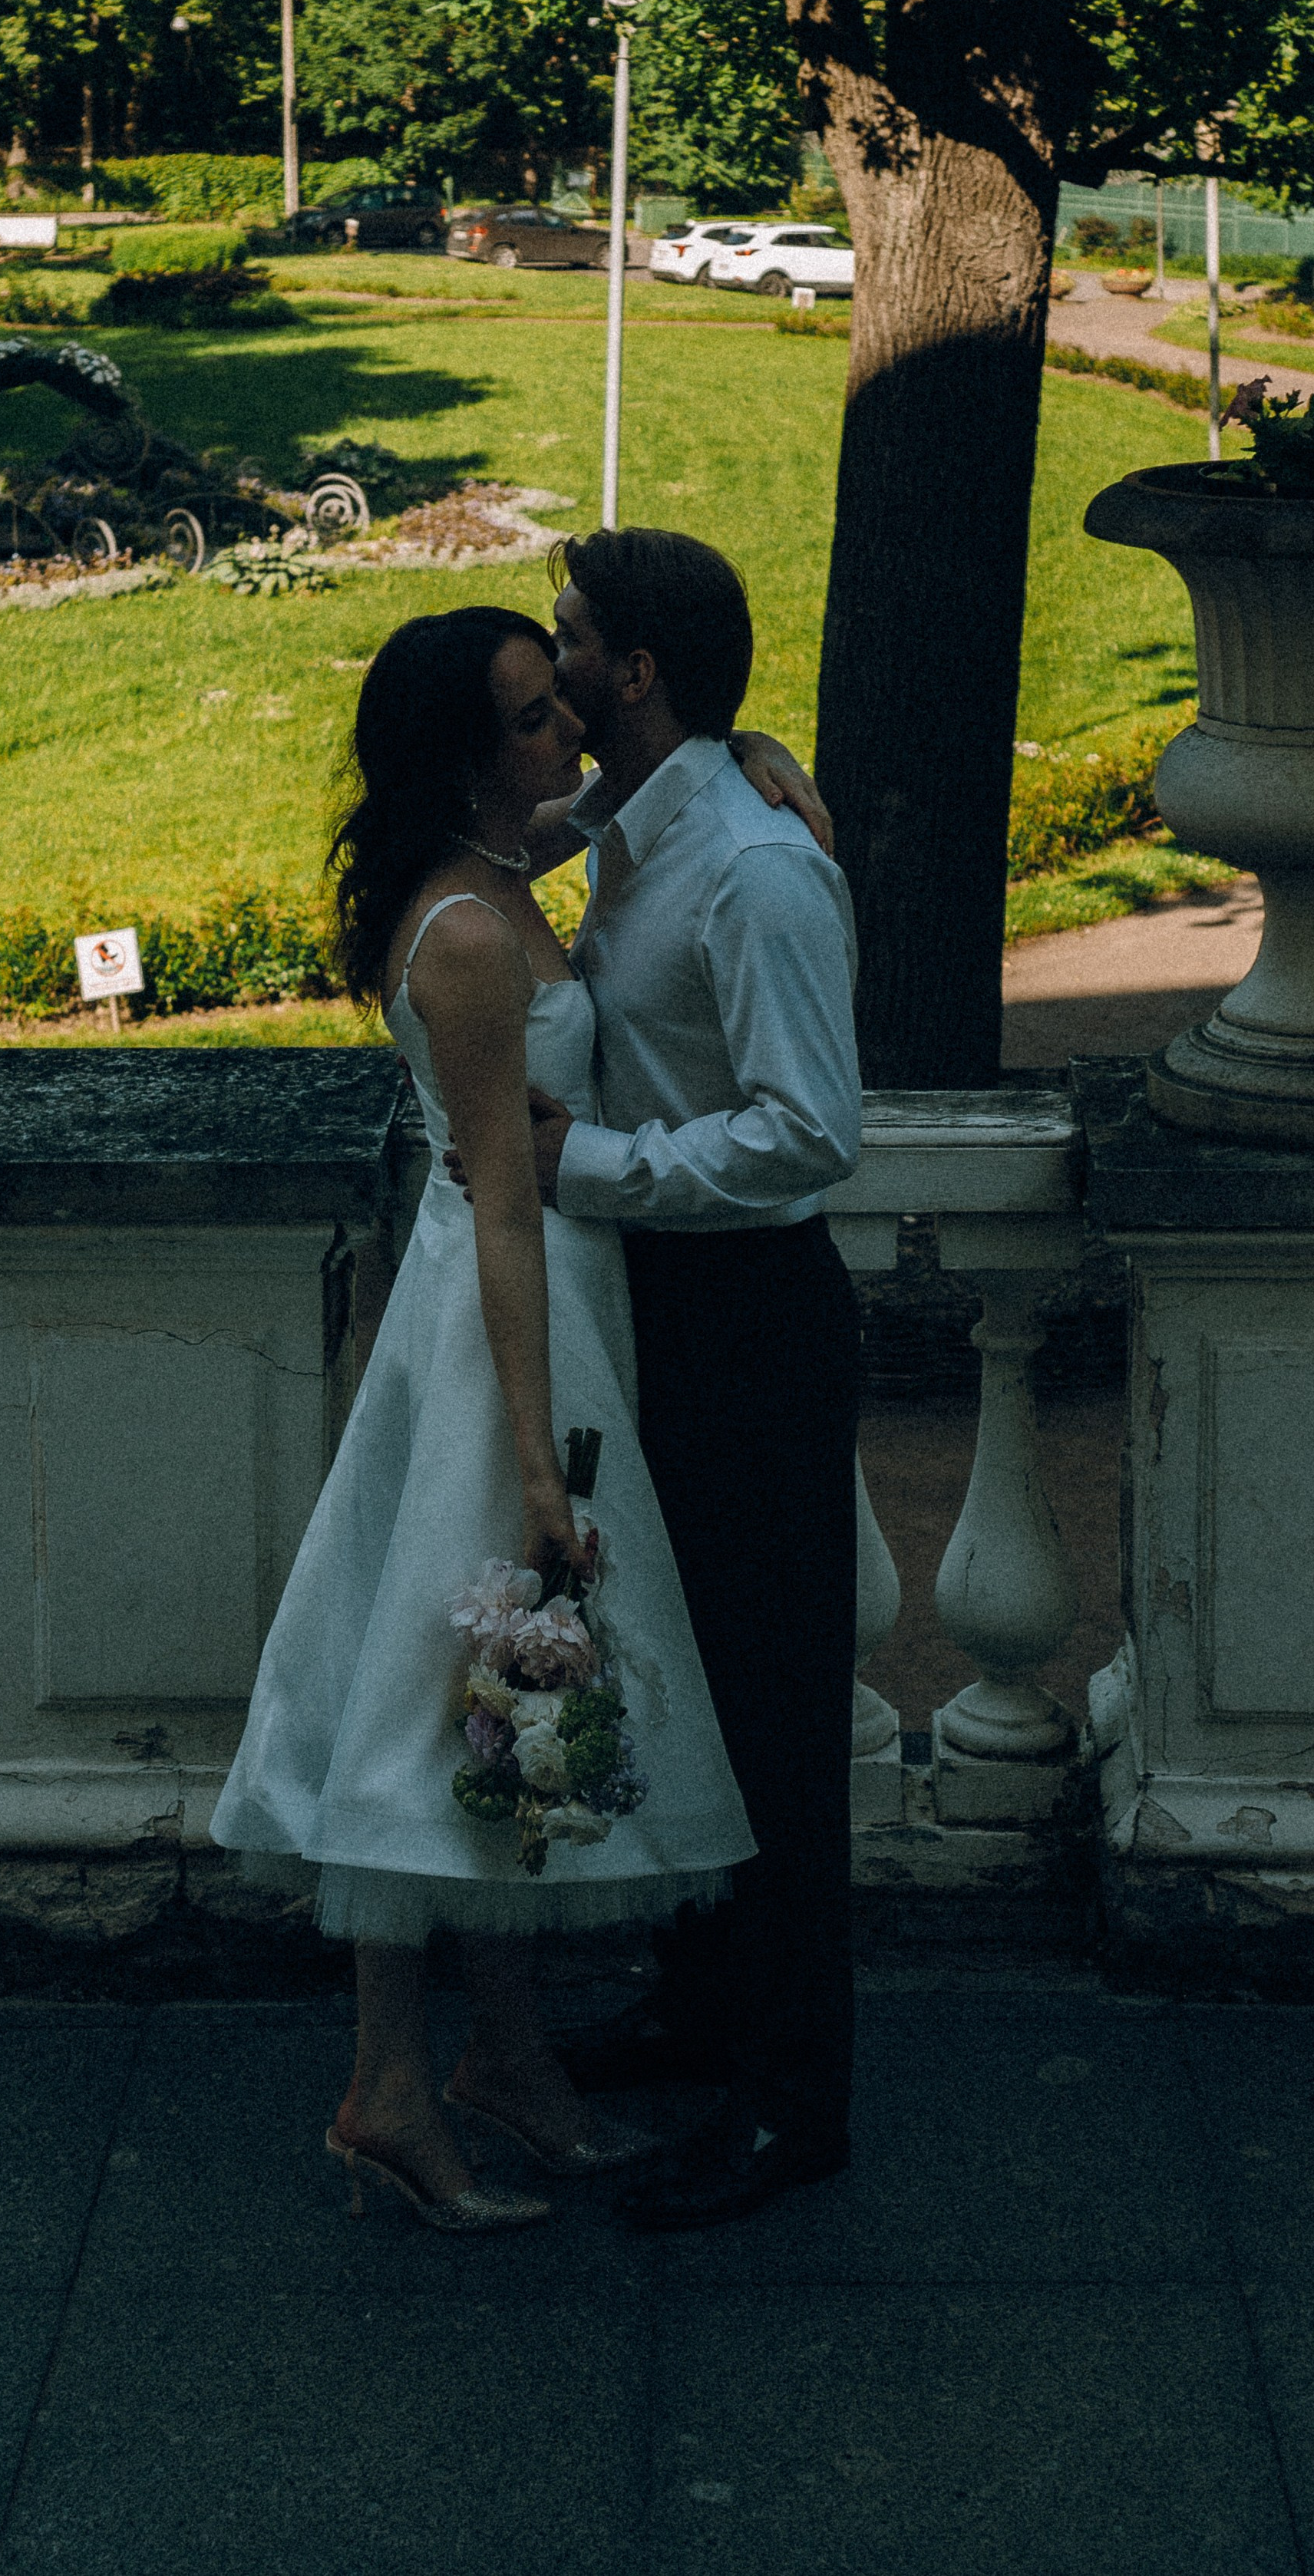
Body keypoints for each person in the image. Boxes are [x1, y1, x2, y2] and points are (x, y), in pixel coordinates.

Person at [210, 606, 761, 2233]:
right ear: (464, 755)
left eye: (560, 708)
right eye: (531, 722)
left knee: (500, 1715)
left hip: (539, 1319)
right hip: (497, 1340)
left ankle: (505, 2061)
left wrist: (755, 760)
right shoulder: (464, 934)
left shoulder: (498, 869)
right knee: (432, 1702)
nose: (568, 741)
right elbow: (506, 1207)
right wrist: (533, 1458)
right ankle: (389, 2085)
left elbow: (615, 803)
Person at [495, 526, 864, 2233]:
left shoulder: (751, 873)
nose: (549, 658)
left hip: (749, 1321)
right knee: (683, 1684)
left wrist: (591, 1164)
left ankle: (793, 2102)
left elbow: (808, 1138)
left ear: (631, 670)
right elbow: (490, 830)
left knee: (775, 1722)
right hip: (657, 1312)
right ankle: (702, 2006)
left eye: (565, 637)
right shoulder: (636, 828)